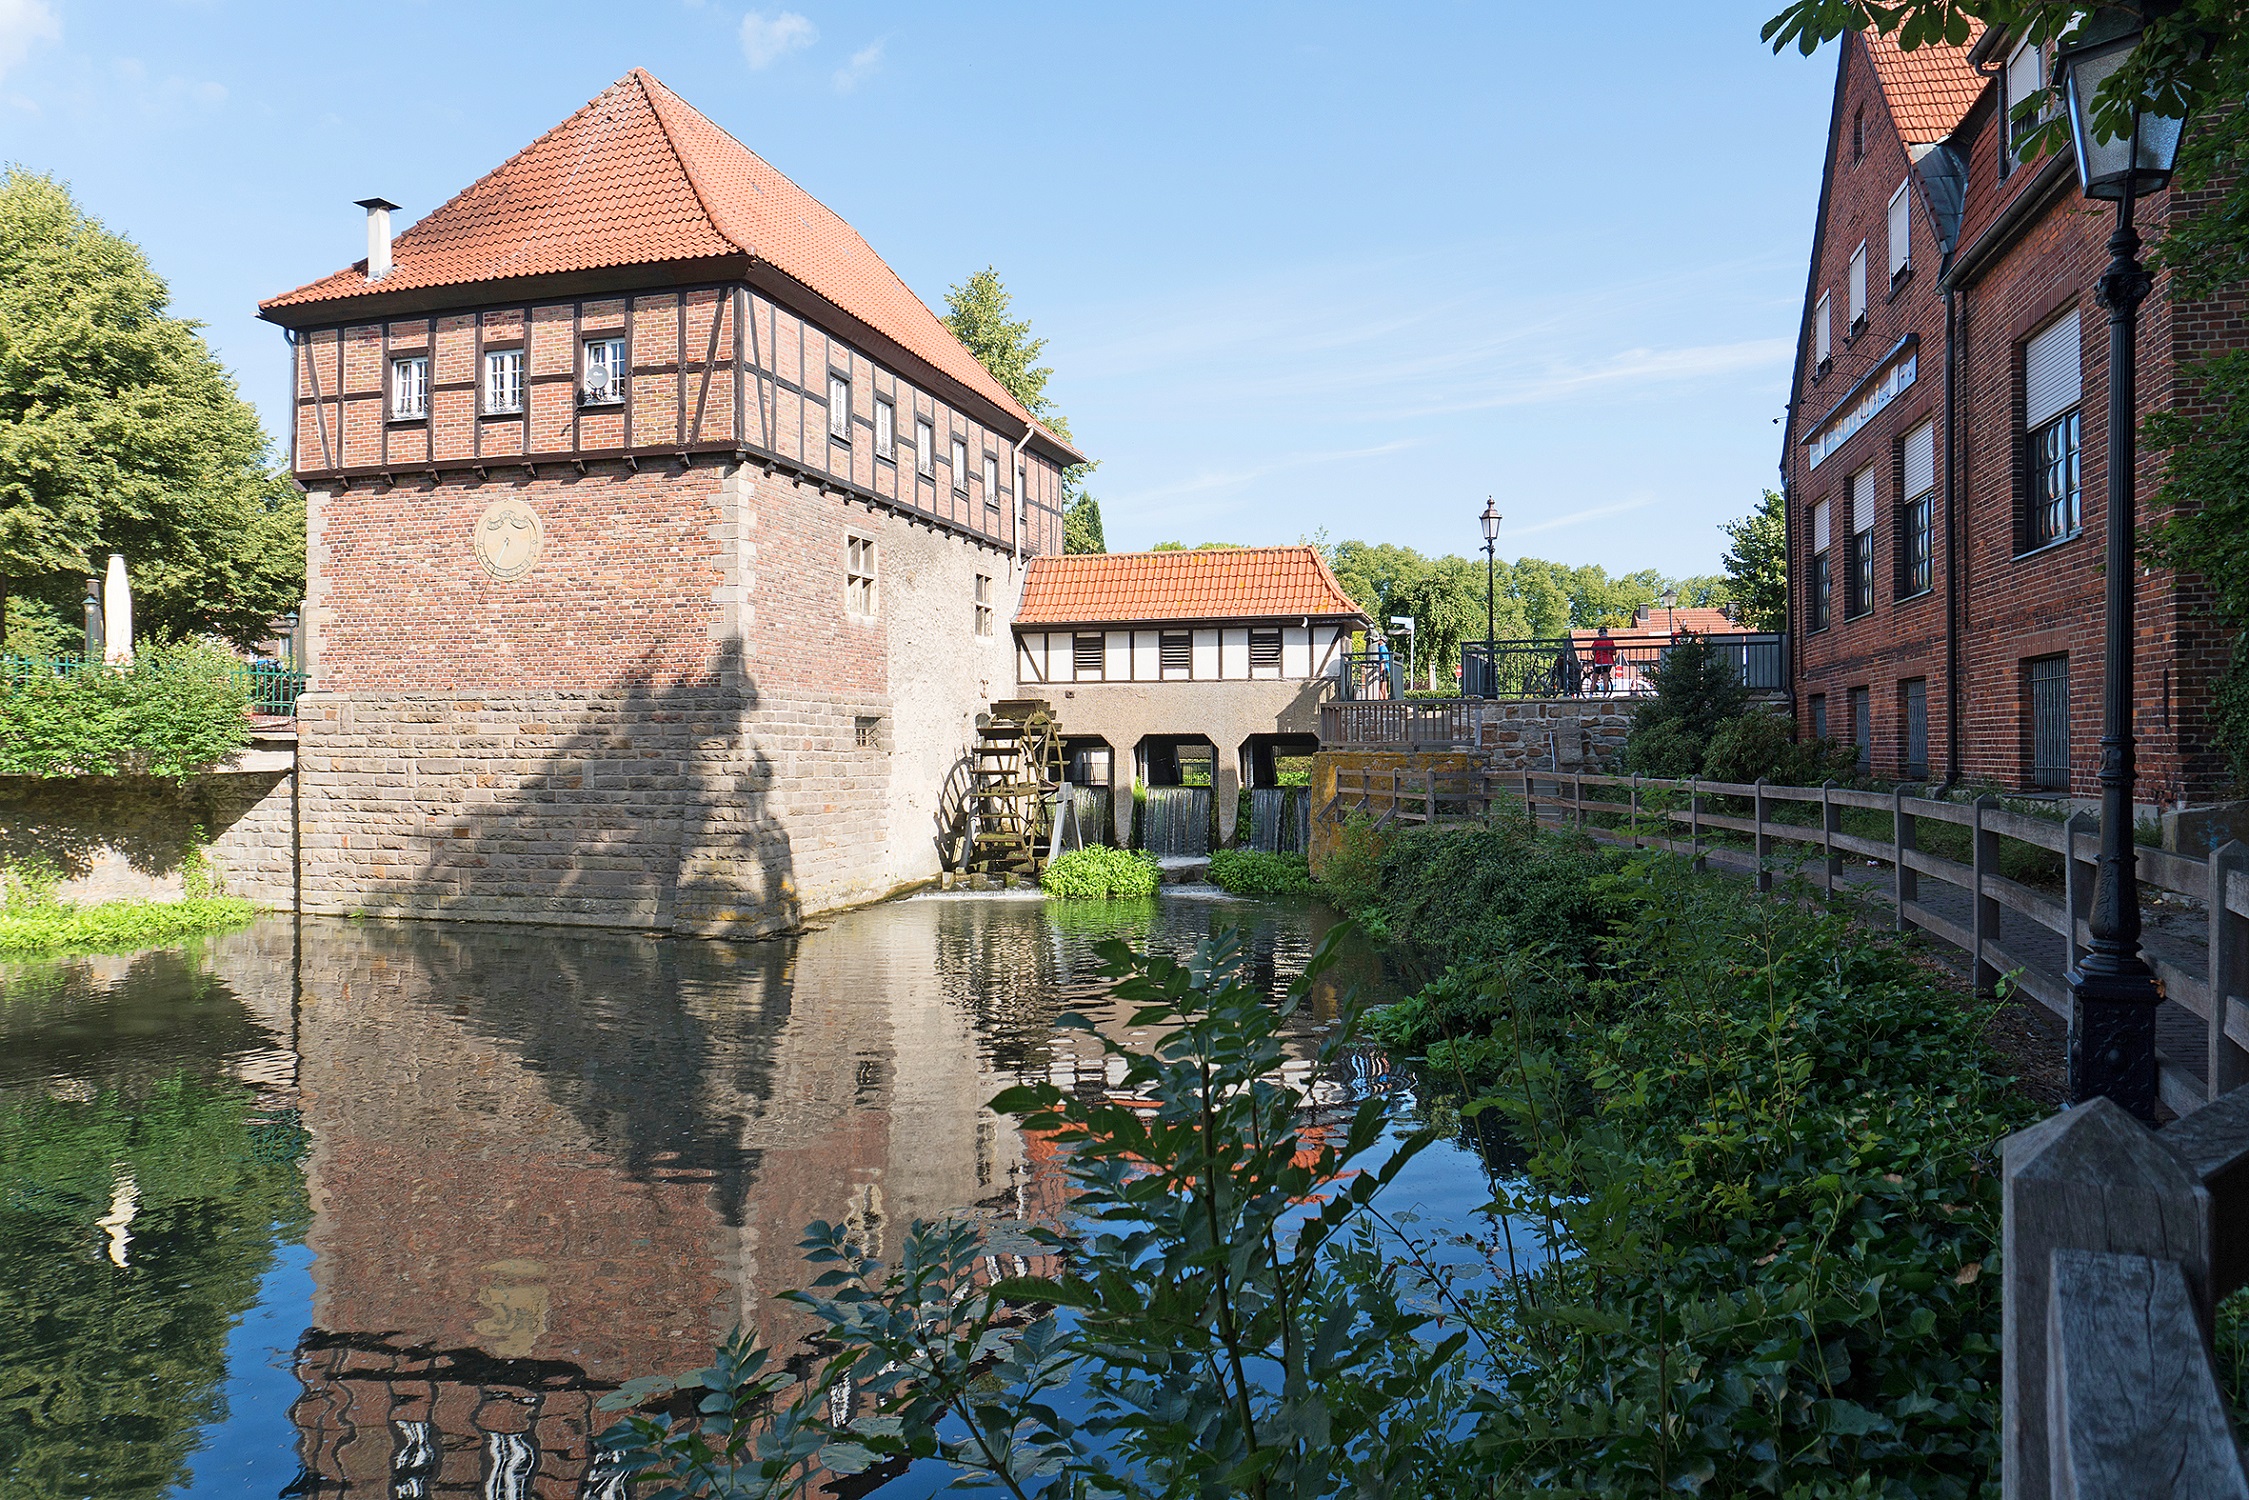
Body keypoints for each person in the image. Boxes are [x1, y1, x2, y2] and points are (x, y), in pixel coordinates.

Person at [1588, 627, 1617, 695]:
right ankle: (1605, 695)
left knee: (1595, 678)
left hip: (1599, 661)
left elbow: (1593, 652)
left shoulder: (1597, 641)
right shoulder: (1610, 640)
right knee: (1605, 679)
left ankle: (1590, 695)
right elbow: (1614, 652)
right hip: (1608, 661)